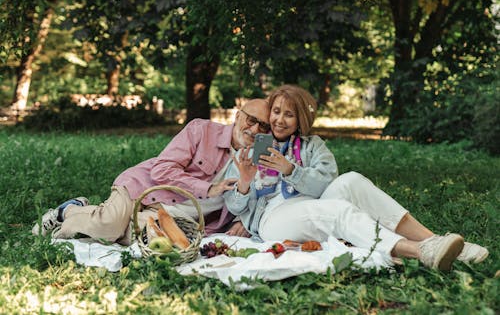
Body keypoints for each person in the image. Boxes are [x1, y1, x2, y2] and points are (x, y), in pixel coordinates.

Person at [223, 84, 488, 270]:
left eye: (289, 114)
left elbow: (326, 183)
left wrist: (290, 169)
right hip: (274, 219)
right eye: (276, 112)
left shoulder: (312, 145)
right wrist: (245, 182)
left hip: (311, 202)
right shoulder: (251, 150)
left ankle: (434, 240)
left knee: (351, 180)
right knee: (336, 210)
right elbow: (234, 206)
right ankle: (420, 252)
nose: (280, 120)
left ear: (301, 119)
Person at [32, 99, 271, 244]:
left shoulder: (260, 156)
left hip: (175, 214)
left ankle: (98, 219)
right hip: (143, 189)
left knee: (140, 238)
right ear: (238, 115)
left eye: (264, 126)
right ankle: (69, 211)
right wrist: (208, 188)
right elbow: (162, 169)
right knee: (108, 227)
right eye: (251, 120)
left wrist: (242, 219)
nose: (255, 129)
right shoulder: (201, 130)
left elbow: (261, 193)